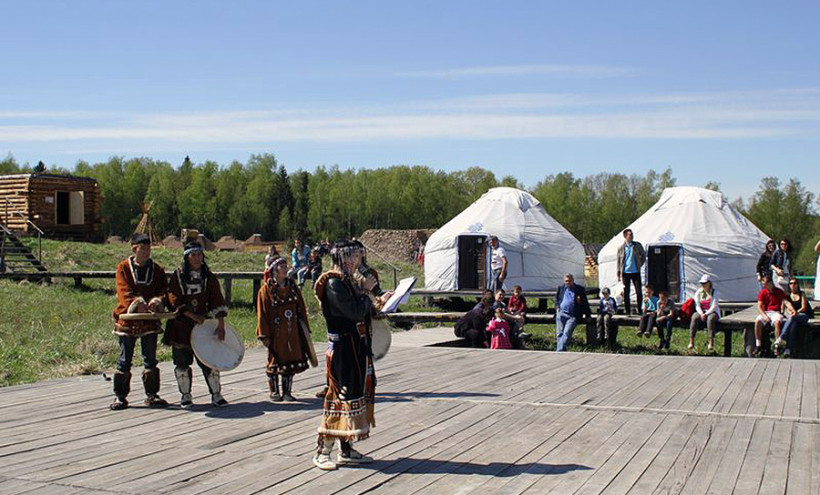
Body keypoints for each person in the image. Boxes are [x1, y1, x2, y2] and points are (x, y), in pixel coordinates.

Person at [311, 240, 393, 470]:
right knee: (340, 397)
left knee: (355, 395)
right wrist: (366, 291)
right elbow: (355, 311)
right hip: (342, 351)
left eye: (358, 256)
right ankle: (322, 450)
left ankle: (345, 449)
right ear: (342, 258)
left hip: (357, 348)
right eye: (353, 257)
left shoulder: (349, 282)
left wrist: (382, 301)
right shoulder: (333, 283)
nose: (357, 261)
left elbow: (365, 309)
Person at [163, 241, 229, 408]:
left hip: (204, 326)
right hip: (181, 326)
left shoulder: (208, 277)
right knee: (182, 363)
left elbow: (217, 301)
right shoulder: (178, 277)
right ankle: (186, 396)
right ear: (187, 257)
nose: (197, 258)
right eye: (193, 255)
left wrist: (220, 326)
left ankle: (216, 395)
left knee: (209, 362)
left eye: (199, 255)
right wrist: (191, 315)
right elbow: (173, 299)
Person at [109, 234, 169, 411]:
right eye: (143, 249)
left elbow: (163, 290)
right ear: (134, 249)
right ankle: (120, 396)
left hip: (149, 321)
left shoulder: (157, 270)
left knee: (150, 359)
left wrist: (157, 302)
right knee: (124, 359)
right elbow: (123, 290)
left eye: (148, 249)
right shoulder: (123, 268)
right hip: (128, 320)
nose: (146, 252)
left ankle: (152, 394)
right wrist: (136, 304)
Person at [257, 256, 312, 402]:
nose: (285, 268)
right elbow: (261, 313)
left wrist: (305, 330)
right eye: (282, 266)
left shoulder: (293, 287)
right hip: (276, 332)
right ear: (274, 270)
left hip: (292, 330)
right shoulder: (265, 290)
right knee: (274, 359)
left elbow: (301, 309)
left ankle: (287, 392)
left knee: (291, 359)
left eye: (285, 266)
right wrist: (264, 334)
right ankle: (274, 392)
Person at [554, 273, 591, 352]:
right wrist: (557, 306)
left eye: (569, 281)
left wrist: (588, 315)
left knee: (567, 333)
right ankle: (561, 350)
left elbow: (585, 303)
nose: (568, 283)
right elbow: (556, 299)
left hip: (573, 315)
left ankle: (559, 350)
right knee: (559, 333)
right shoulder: (561, 288)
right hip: (561, 313)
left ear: (573, 280)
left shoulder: (579, 289)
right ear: (564, 281)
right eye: (566, 281)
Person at [754, 274, 787, 357]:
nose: (763, 285)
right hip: (766, 312)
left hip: (776, 312)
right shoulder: (763, 292)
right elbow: (760, 306)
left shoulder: (779, 291)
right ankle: (758, 344)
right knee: (758, 322)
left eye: (764, 283)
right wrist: (764, 316)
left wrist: (783, 310)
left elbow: (785, 301)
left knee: (777, 322)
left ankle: (777, 344)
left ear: (770, 283)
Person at [780, 278, 813, 358]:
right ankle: (788, 350)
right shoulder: (787, 295)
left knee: (792, 319)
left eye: (795, 283)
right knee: (792, 327)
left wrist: (796, 313)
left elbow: (804, 307)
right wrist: (790, 312)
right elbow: (783, 308)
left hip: (803, 316)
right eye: (791, 283)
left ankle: (782, 336)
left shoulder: (802, 294)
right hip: (793, 317)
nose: (793, 285)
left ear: (797, 285)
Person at [616, 229, 645, 315]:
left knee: (639, 292)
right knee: (626, 292)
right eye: (630, 235)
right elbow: (618, 261)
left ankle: (640, 309)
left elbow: (643, 255)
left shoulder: (637, 245)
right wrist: (618, 273)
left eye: (632, 235)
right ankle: (627, 310)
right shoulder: (621, 248)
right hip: (625, 273)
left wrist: (639, 264)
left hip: (635, 271)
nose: (631, 236)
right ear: (625, 236)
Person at [689, 274, 720, 352]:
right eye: (702, 283)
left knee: (710, 319)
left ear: (709, 283)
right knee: (694, 317)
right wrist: (701, 313)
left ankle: (711, 341)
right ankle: (691, 341)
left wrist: (706, 314)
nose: (703, 285)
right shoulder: (699, 292)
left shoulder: (714, 292)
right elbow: (697, 304)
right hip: (701, 311)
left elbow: (714, 305)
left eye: (704, 283)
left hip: (712, 311)